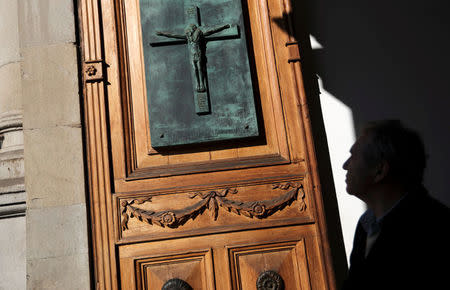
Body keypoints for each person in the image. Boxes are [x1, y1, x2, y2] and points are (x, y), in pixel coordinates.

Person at [341, 120, 450, 290]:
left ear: (380, 171)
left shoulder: (434, 227)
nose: (345, 165)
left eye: (353, 156)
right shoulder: (365, 225)